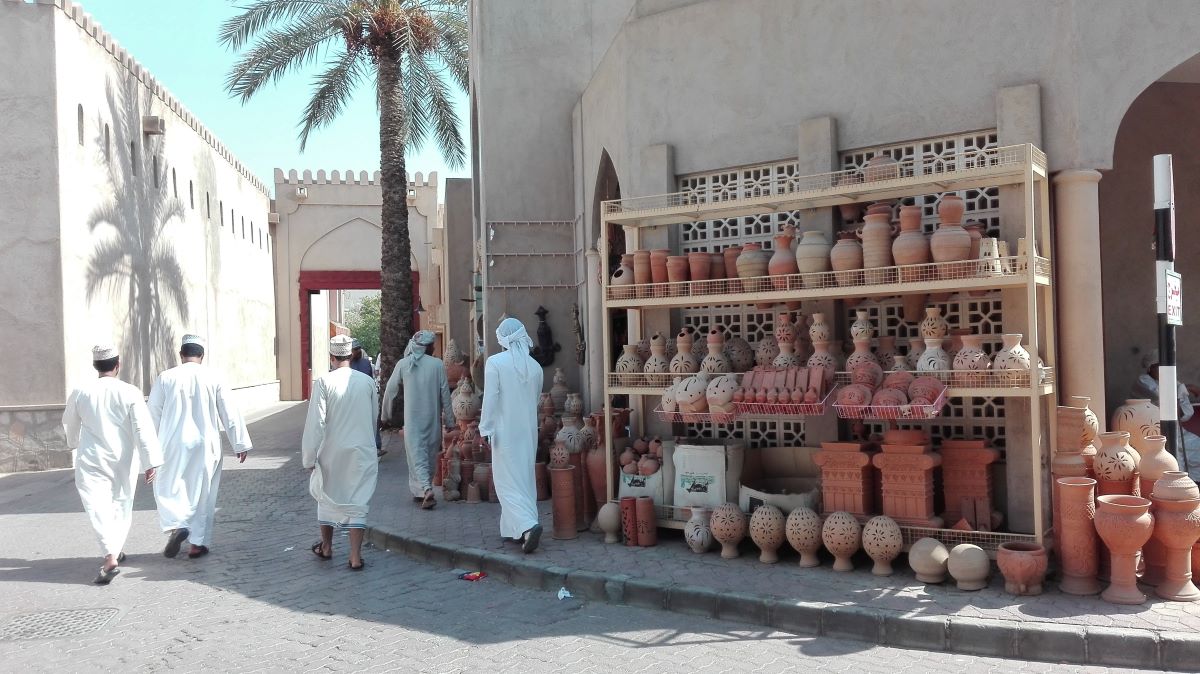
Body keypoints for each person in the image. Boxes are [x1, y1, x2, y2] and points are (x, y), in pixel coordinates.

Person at [61, 344, 163, 584]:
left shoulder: (81, 391)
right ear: (118, 365)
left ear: (95, 366)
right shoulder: (130, 391)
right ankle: (113, 551)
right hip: (123, 459)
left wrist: (73, 442)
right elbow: (142, 428)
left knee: (97, 505)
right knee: (121, 503)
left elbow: (70, 425)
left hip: (91, 458)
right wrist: (150, 461)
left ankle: (110, 555)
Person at [149, 334, 252, 560]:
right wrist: (240, 443)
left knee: (170, 486)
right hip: (206, 444)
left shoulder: (166, 377)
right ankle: (196, 544)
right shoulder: (214, 377)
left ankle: (177, 524)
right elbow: (229, 410)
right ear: (202, 356)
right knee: (203, 492)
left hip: (172, 443)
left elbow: (153, 413)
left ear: (181, 354)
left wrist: (149, 451)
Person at [302, 334, 379, 570]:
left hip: (331, 450)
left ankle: (326, 546)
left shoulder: (324, 382)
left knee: (326, 495)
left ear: (331, 357)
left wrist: (309, 457)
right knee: (358, 500)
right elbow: (373, 417)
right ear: (351, 355)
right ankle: (355, 556)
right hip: (361, 450)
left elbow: (316, 422)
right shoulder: (367, 382)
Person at [478, 317, 543, 553]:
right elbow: (536, 400)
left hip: (504, 432)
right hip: (528, 432)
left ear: (502, 338)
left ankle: (527, 526)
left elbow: (490, 398)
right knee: (524, 479)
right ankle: (514, 530)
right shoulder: (535, 367)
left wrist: (485, 428)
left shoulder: (495, 363)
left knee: (506, 482)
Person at [380, 330, 453, 509]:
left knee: (416, 456)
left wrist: (385, 415)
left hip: (413, 421)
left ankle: (426, 490)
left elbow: (390, 390)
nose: (434, 348)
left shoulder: (404, 364)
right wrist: (450, 421)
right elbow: (445, 394)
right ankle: (422, 490)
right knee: (428, 456)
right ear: (428, 347)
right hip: (433, 421)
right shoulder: (437, 364)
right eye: (433, 345)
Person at [1132, 349, 1200, 454]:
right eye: (1160, 366)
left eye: (1167, 366)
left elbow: (1186, 413)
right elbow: (1162, 396)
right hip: (1154, 433)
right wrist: (1187, 388)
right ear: (1150, 367)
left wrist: (1180, 392)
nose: (1165, 369)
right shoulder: (1143, 381)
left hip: (1176, 432)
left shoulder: (1174, 382)